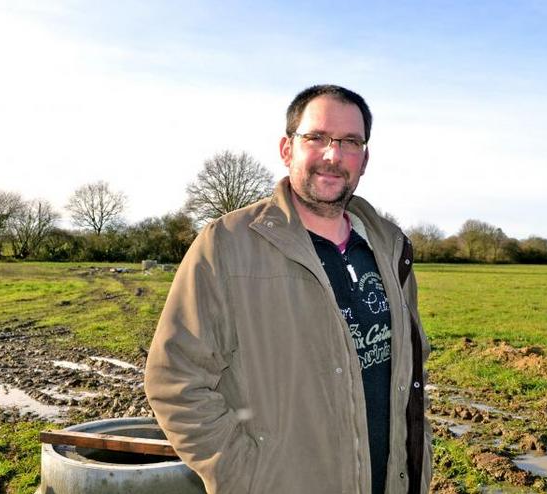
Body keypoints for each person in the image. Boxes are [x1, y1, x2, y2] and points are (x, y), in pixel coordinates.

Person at [144, 84, 432, 494]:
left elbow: (408, 379)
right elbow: (174, 379)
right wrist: (247, 477)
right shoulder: (226, 244)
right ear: (287, 149)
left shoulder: (390, 247)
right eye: (316, 138)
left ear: (364, 159)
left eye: (350, 142)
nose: (333, 155)